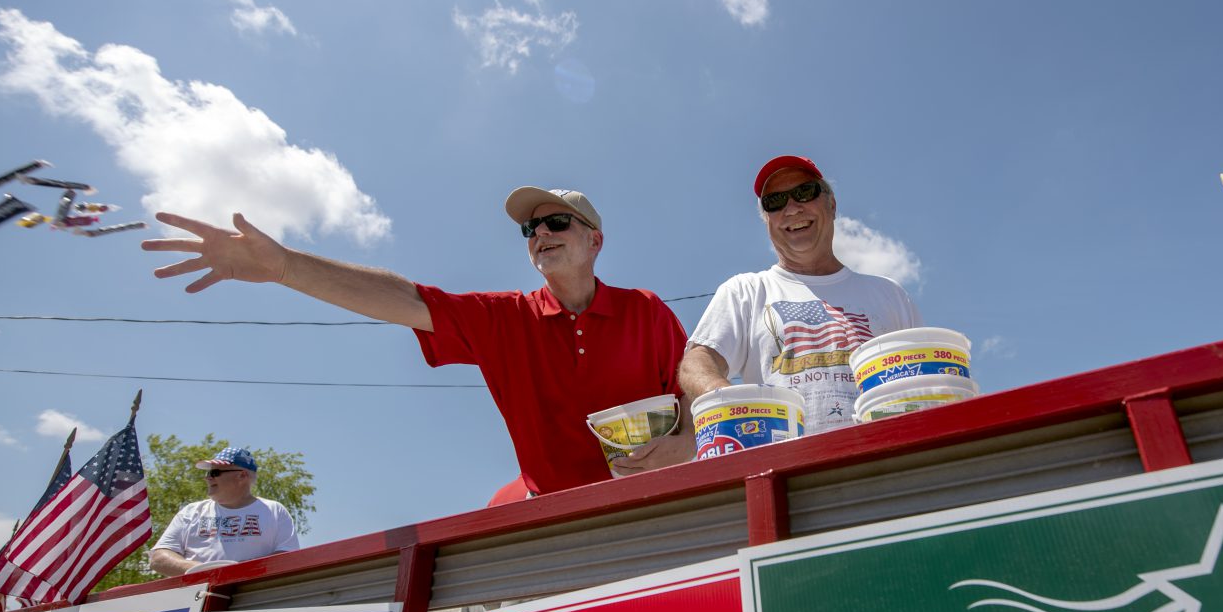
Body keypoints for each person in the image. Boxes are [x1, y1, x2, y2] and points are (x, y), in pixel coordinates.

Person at [141, 188, 691, 504]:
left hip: (656, 506)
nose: (539, 232)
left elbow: (693, 396)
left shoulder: (647, 309)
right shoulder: (504, 318)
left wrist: (685, 443)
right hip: (550, 518)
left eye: (555, 221)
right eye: (529, 228)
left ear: (594, 239)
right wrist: (286, 266)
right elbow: (406, 299)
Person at [680, 155, 921, 432]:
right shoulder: (745, 291)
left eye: (804, 193)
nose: (792, 209)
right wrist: (727, 399)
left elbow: (925, 380)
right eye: (775, 202)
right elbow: (698, 362)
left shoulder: (890, 294)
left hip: (885, 462)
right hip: (787, 468)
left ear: (831, 205)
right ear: (767, 221)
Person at [150, 446, 300, 576]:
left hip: (251, 601)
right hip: (195, 601)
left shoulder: (274, 511)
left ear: (242, 475)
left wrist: (236, 574)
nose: (207, 478)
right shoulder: (190, 512)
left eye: (215, 473)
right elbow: (158, 558)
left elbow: (287, 558)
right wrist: (207, 572)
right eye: (208, 473)